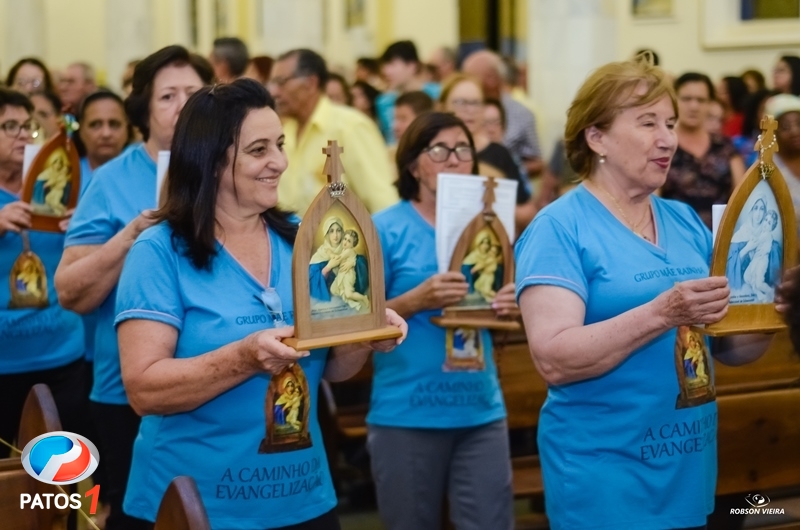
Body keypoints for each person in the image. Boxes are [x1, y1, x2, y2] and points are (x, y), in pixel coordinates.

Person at [114, 78, 406, 528]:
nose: (280, 163)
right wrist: (245, 357)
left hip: (302, 499)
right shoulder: (160, 252)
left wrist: (365, 334)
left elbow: (330, 368)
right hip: (196, 504)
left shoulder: (301, 238)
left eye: (281, 144)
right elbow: (144, 389)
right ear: (211, 161)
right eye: (259, 150)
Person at [514, 55, 771, 530]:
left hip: (689, 466)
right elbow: (554, 357)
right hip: (605, 473)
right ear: (597, 138)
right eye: (648, 122)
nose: (668, 139)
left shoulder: (683, 220)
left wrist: (774, 309)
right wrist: (663, 311)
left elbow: (732, 347)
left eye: (670, 123)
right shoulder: (559, 228)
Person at [55, 45, 213, 530]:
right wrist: (131, 237)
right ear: (144, 110)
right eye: (169, 95)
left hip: (215, 384)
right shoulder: (111, 180)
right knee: (139, 514)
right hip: (127, 390)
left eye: (194, 93)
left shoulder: (227, 171)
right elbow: (71, 292)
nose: (184, 104)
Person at [370, 111, 516, 530]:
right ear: (413, 164)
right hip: (409, 409)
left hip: (479, 407)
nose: (454, 159)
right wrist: (417, 300)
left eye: (463, 149)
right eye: (439, 149)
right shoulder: (386, 228)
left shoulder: (491, 224)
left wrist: (509, 302)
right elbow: (354, 324)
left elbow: (501, 303)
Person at [0, 88, 88, 459]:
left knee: (62, 475)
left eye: (29, 126)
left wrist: (80, 228)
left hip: (62, 355)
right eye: (9, 126)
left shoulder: (58, 185)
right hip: (5, 363)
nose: (23, 134)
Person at [268, 48, 397, 215]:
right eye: (272, 84)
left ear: (310, 83)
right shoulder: (283, 132)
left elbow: (383, 203)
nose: (274, 92)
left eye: (281, 82)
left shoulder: (350, 127)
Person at [439, 74, 535, 232]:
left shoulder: (499, 154)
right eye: (460, 102)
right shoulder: (431, 151)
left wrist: (494, 206)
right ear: (442, 106)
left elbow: (528, 212)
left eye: (475, 103)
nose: (468, 110)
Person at [661, 72, 745, 228]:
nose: (694, 106)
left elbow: (742, 197)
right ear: (674, 101)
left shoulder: (725, 147)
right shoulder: (662, 144)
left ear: (711, 103)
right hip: (674, 234)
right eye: (686, 99)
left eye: (701, 100)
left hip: (721, 239)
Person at [462, 50, 543, 176]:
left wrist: (509, 168)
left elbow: (537, 161)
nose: (466, 85)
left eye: (470, 79)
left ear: (491, 79)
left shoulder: (521, 113)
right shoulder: (464, 111)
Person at [375, 40, 441, 144]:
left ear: (412, 66)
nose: (386, 71)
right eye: (385, 65)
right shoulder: (383, 102)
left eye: (392, 64)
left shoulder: (437, 93)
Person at [72, 90, 133, 193]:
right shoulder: (65, 178)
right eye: (95, 125)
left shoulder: (143, 173)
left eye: (114, 124)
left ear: (127, 129)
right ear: (81, 130)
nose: (106, 134)